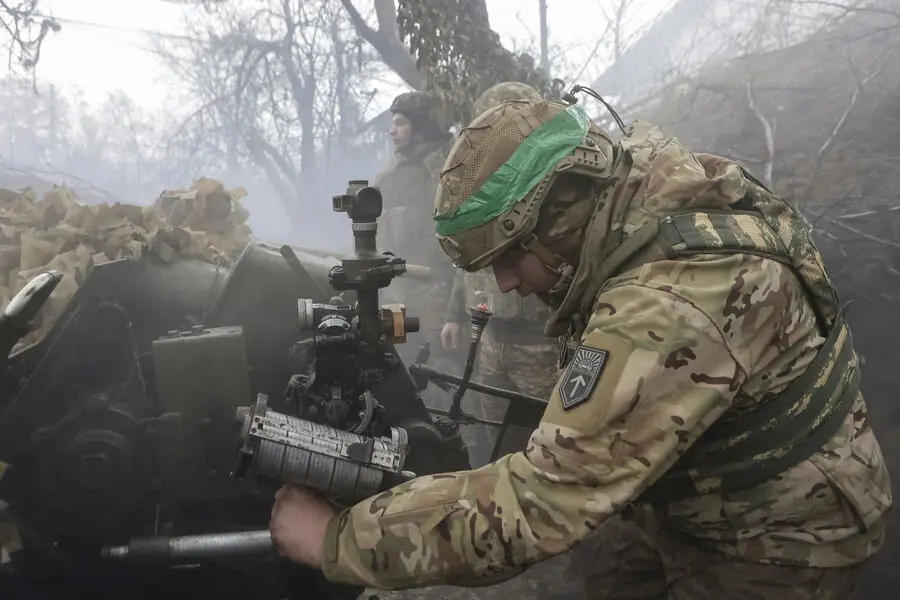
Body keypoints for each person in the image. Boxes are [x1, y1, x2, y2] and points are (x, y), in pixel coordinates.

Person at [269, 96, 892, 599]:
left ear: (559, 216)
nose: (507, 283)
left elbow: (540, 503)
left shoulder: (669, 305)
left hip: (781, 531)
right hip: (687, 488)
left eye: (511, 256)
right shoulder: (625, 185)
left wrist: (337, 539)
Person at [441, 82, 559, 463]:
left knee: (549, 437)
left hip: (540, 341)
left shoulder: (555, 177)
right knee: (492, 434)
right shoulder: (472, 184)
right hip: (490, 336)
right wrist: (453, 315)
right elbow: (465, 259)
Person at [374, 90, 456, 369]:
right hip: (395, 288)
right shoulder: (388, 174)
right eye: (393, 124)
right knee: (394, 357)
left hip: (436, 286)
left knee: (441, 364)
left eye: (400, 123)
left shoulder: (447, 169)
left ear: (420, 127)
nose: (392, 132)